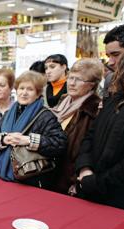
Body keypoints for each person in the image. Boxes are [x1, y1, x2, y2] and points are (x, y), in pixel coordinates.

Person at [75, 41, 124, 214]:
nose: (111, 64)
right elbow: (90, 136)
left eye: (117, 57)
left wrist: (93, 181)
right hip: (94, 189)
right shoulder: (113, 99)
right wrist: (85, 168)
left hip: (123, 201)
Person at [0, 71, 67, 189]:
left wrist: (29, 140)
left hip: (28, 179)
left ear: (38, 93)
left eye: (30, 89)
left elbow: (60, 144)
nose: (24, 93)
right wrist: (4, 139)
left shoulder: (45, 116)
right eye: (21, 88)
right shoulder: (9, 113)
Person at [49, 59, 103, 195]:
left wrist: (76, 181)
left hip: (69, 179)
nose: (72, 83)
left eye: (79, 80)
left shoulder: (95, 109)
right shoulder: (63, 101)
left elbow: (90, 149)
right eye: (71, 78)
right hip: (51, 172)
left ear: (91, 85)